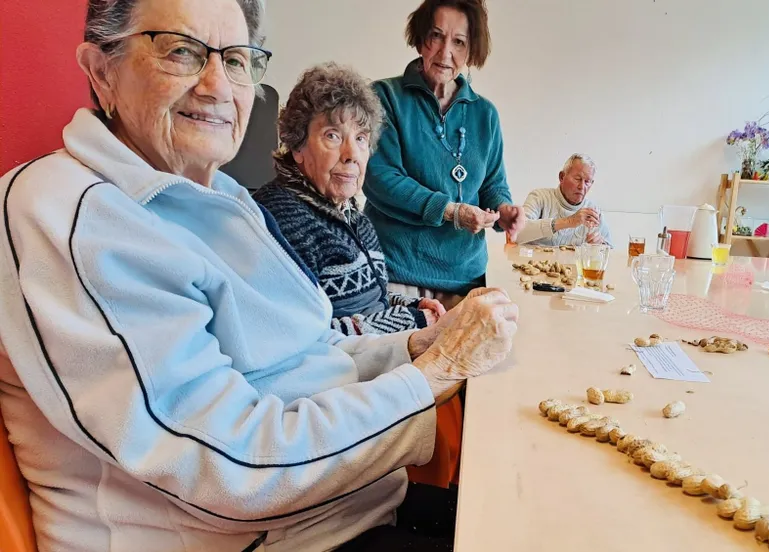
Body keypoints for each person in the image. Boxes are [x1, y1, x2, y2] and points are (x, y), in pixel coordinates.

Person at [0, 1, 519, 551]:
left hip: (345, 505)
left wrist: (414, 347)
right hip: (277, 536)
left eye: (238, 60)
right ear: (101, 70)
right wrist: (438, 372)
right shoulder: (68, 213)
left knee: (528, 506)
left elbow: (309, 354)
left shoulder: (222, 196)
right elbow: (237, 467)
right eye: (181, 51)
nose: (217, 86)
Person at [254, 64, 446, 336]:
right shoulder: (280, 220)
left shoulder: (352, 216)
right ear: (297, 145)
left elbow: (368, 300)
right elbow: (304, 336)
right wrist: (412, 320)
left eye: (361, 138)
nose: (351, 154)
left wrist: (411, 304)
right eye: (332, 136)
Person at [364, 0, 526, 312]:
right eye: (436, 36)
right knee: (405, 359)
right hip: (398, 273)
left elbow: (493, 183)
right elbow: (381, 178)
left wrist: (504, 210)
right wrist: (451, 211)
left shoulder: (485, 114)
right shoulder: (384, 97)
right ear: (420, 38)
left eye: (459, 42)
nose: (445, 52)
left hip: (466, 279)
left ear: (471, 50)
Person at [515, 153, 614, 247]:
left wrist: (600, 245)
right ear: (562, 177)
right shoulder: (540, 197)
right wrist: (568, 221)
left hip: (574, 265)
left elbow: (610, 251)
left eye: (587, 182)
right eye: (577, 179)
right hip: (534, 264)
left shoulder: (593, 211)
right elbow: (516, 233)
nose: (582, 186)